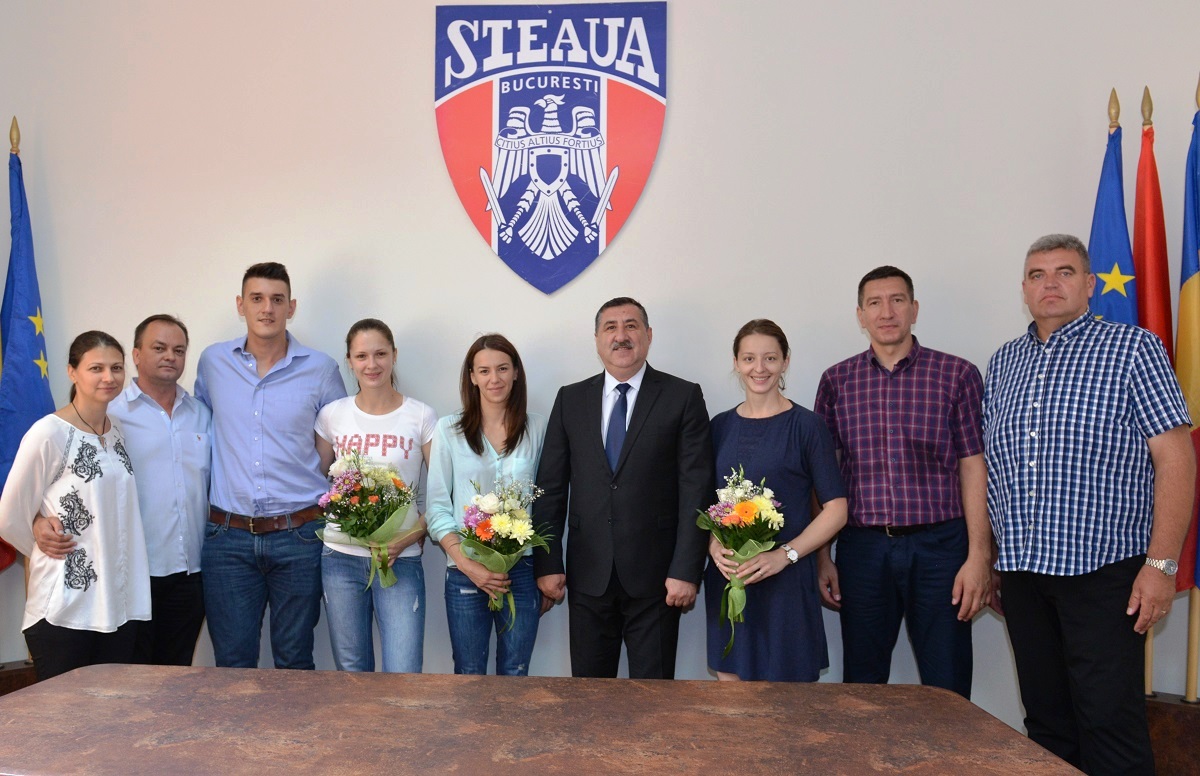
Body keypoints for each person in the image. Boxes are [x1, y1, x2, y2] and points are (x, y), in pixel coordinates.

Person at [985, 234, 1194, 774]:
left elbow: (1175, 459)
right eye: (1037, 275)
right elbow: (994, 471)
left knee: (1109, 724)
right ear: (1024, 289)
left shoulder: (1134, 349)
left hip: (1105, 575)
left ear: (1090, 284)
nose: (1050, 284)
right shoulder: (1004, 362)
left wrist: (1161, 565)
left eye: (1065, 272)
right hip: (1024, 575)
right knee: (1047, 726)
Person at [813, 266, 990, 699]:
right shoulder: (837, 381)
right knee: (862, 685)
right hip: (862, 550)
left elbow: (973, 466)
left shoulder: (956, 374)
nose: (886, 312)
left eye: (897, 300)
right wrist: (822, 557)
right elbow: (825, 474)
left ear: (914, 309)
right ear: (860, 315)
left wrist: (979, 556)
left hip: (941, 549)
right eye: (874, 303)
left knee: (947, 684)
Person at [535, 297, 713, 679]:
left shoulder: (682, 397)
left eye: (631, 326)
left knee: (653, 698)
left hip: (658, 580)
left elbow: (696, 490)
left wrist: (686, 570)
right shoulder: (570, 399)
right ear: (597, 339)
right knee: (589, 696)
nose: (621, 336)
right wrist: (547, 564)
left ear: (648, 335)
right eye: (610, 327)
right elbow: (550, 489)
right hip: (588, 576)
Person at [196, 262, 347, 669]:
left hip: (299, 535)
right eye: (257, 299)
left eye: (277, 299)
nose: (267, 308)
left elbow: (343, 446)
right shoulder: (212, 363)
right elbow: (198, 429)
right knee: (232, 662)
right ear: (240, 305)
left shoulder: (321, 369)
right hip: (227, 538)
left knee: (295, 659)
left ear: (291, 307)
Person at [0, 331, 151, 680]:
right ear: (72, 372)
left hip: (117, 606)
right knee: (64, 711)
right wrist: (40, 541)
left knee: (112, 708)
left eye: (116, 367)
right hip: (65, 609)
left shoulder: (117, 431)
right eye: (96, 368)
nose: (108, 377)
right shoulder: (48, 433)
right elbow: (9, 514)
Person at [705, 319, 847, 681]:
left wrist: (785, 556)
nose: (759, 368)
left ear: (785, 361)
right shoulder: (718, 427)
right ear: (736, 363)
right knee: (731, 695)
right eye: (749, 358)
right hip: (731, 580)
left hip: (787, 583)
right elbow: (707, 503)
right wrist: (713, 544)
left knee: (788, 701)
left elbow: (836, 510)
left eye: (770, 358)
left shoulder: (808, 426)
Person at [314, 318, 435, 673]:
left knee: (404, 671)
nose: (372, 364)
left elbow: (444, 495)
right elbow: (317, 484)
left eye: (380, 354)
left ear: (394, 355)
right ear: (349, 361)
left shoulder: (421, 416)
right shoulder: (332, 415)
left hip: (400, 559)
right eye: (362, 356)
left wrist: (409, 537)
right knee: (351, 671)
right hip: (340, 558)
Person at [427, 334, 546, 675]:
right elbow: (437, 507)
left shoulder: (538, 428)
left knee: (516, 670)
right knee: (469, 672)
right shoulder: (448, 430)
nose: (495, 378)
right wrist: (468, 565)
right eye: (484, 370)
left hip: (521, 570)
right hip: (465, 570)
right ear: (472, 377)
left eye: (503, 368)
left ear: (516, 372)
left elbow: (547, 504)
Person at [106, 314, 212, 666]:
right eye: (159, 348)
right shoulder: (111, 416)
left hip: (191, 571)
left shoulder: (201, 414)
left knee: (176, 672)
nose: (170, 356)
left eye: (178, 350)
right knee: (134, 675)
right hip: (135, 572)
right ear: (136, 355)